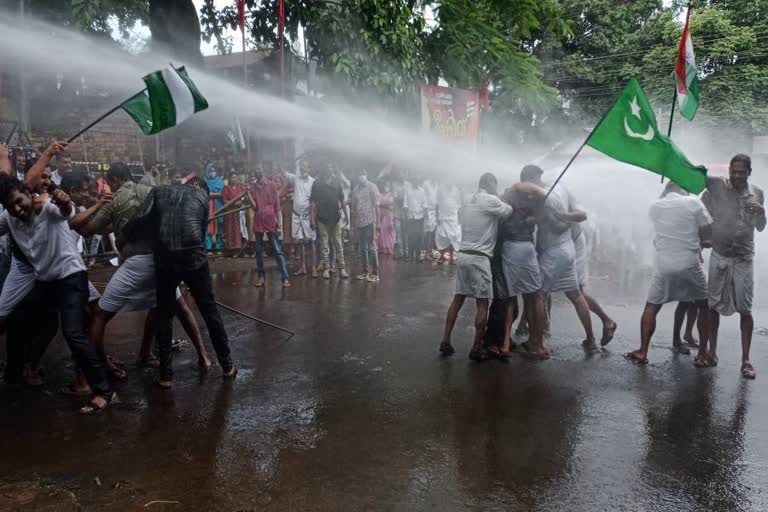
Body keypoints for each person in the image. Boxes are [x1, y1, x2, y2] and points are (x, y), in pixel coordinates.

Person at [0, 147, 117, 414]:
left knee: (73, 332)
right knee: (17, 319)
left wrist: (64, 200)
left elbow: (66, 210)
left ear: (28, 195)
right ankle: (19, 373)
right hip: (45, 282)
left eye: (20, 202)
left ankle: (104, 391)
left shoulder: (48, 209)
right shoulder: (9, 217)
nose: (18, 210)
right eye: (11, 207)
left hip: (70, 278)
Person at [77, 162, 212, 378]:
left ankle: (90, 372)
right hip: (162, 261)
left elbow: (88, 230)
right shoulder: (152, 192)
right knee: (174, 308)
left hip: (136, 263)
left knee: (101, 314)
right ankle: (202, 356)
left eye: (110, 185)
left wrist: (87, 213)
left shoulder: (115, 199)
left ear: (113, 181)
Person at [123, 177, 236, 388]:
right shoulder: (202, 196)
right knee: (210, 312)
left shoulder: (158, 191)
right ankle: (228, 366)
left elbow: (140, 219)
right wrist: (195, 279)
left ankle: (166, 377)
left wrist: (125, 237)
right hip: (194, 257)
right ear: (199, 186)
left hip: (165, 256)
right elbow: (200, 235)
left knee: (165, 315)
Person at [625, 182, 712, 365]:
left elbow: (656, 222)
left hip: (664, 265)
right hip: (689, 263)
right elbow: (707, 227)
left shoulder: (656, 205)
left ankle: (643, 351)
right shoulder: (693, 202)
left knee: (652, 306)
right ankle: (703, 353)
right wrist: (703, 241)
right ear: (682, 189)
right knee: (704, 305)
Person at [700, 154, 765, 378]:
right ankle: (711, 352)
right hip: (720, 254)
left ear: (749, 171)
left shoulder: (757, 193)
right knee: (712, 306)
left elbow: (760, 227)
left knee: (745, 309)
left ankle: (746, 359)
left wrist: (762, 213)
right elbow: (701, 191)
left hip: (743, 257)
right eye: (733, 171)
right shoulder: (718, 186)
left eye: (741, 172)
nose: (737, 175)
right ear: (729, 170)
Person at [521, 165, 598, 352]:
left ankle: (537, 343)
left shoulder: (545, 198)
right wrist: (564, 216)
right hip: (568, 248)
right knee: (575, 294)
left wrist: (544, 218)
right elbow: (581, 214)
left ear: (529, 180)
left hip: (554, 251)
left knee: (538, 293)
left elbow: (557, 226)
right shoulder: (561, 187)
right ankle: (591, 340)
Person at [439, 173, 512, 360]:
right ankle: (477, 347)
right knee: (482, 303)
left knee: (458, 299)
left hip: (463, 255)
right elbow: (509, 211)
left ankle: (445, 340)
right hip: (480, 259)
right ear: (491, 184)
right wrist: (500, 195)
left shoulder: (467, 200)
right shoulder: (491, 200)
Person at [495, 182, 550, 358]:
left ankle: (508, 344)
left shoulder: (508, 197)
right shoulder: (534, 200)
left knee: (515, 298)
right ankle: (537, 343)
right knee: (535, 295)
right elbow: (543, 198)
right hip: (525, 247)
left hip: (511, 248)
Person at [248, 169, 291, 287]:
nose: (260, 177)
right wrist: (247, 194)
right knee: (259, 251)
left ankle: (285, 277)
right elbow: (254, 207)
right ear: (256, 176)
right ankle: (261, 277)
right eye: (258, 175)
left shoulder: (272, 185)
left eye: (261, 174)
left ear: (264, 175)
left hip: (271, 222)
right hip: (258, 222)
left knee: (277, 250)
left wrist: (280, 226)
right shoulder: (252, 188)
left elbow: (277, 207)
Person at [310, 168, 348, 280]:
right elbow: (312, 202)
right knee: (324, 245)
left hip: (335, 218)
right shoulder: (317, 184)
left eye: (331, 169)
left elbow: (342, 200)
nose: (330, 171)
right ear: (323, 171)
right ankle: (326, 268)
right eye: (327, 169)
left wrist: (346, 215)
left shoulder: (337, 183)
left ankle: (342, 268)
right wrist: (312, 218)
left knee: (338, 244)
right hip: (322, 218)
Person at [350, 171, 380, 282]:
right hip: (359, 223)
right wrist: (352, 226)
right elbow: (353, 209)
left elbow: (377, 206)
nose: (361, 176)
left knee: (371, 247)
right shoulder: (355, 190)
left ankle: (375, 273)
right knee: (362, 248)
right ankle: (365, 272)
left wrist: (378, 223)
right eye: (359, 174)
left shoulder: (372, 187)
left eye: (362, 173)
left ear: (366, 175)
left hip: (370, 221)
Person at [289, 161, 317, 277]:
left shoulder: (313, 181)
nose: (302, 169)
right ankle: (303, 267)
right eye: (301, 167)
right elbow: (284, 174)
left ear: (308, 168)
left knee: (311, 242)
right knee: (300, 242)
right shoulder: (296, 178)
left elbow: (314, 201)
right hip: (296, 215)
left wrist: (312, 218)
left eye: (304, 167)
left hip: (308, 216)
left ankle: (314, 267)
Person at [435, 182, 462, 264]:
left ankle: (452, 258)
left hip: (453, 217)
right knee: (441, 236)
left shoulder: (456, 190)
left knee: (454, 237)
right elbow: (437, 203)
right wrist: (437, 217)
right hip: (443, 217)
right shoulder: (441, 189)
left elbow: (459, 204)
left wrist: (459, 218)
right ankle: (441, 256)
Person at [222, 172, 247, 254]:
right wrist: (234, 203)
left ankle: (239, 248)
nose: (234, 179)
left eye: (235, 177)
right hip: (230, 212)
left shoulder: (241, 187)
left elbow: (244, 198)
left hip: (239, 212)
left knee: (240, 229)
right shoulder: (226, 188)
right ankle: (230, 249)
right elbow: (224, 201)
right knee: (229, 229)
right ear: (229, 178)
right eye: (232, 177)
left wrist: (241, 202)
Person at [404, 176, 427, 261]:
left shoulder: (422, 191)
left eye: (417, 180)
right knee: (410, 236)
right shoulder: (408, 190)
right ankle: (410, 256)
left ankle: (417, 256)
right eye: (414, 180)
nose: (416, 182)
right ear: (412, 181)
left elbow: (425, 204)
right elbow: (405, 203)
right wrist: (406, 214)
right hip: (410, 217)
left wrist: (425, 216)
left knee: (418, 237)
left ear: (419, 181)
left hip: (419, 217)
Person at [204, 163, 224, 252]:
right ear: (207, 171)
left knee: (218, 226)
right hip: (207, 206)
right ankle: (208, 247)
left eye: (214, 171)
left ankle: (219, 246)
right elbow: (203, 192)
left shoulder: (220, 181)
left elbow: (222, 194)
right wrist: (213, 194)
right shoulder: (204, 181)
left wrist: (210, 194)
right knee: (208, 225)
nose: (213, 172)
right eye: (211, 171)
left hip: (218, 206)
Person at [392, 171, 409, 260]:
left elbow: (410, 198)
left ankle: (406, 253)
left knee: (405, 233)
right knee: (398, 233)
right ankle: (401, 253)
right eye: (400, 175)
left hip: (406, 213)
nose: (402, 176)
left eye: (404, 175)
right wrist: (403, 199)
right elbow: (395, 198)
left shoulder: (408, 185)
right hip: (397, 213)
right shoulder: (395, 185)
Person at [378, 181, 396, 255]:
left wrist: (384, 205)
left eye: (388, 185)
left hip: (389, 215)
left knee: (389, 230)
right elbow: (379, 203)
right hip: (381, 214)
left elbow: (391, 204)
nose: (386, 187)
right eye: (385, 185)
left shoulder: (391, 194)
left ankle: (389, 247)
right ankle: (383, 248)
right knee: (383, 231)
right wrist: (385, 205)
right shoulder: (380, 194)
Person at [423, 178, 438, 260]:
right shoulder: (426, 183)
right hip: (428, 211)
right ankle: (427, 253)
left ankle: (431, 250)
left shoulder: (437, 184)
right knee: (428, 233)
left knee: (433, 233)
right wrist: (425, 211)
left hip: (435, 211)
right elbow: (424, 197)